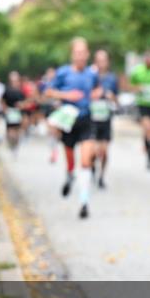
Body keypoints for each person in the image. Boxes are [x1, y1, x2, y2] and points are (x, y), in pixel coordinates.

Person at [46, 38, 102, 219]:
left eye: (82, 52)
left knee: (85, 162)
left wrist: (96, 94)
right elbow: (48, 91)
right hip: (68, 121)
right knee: (70, 161)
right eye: (76, 52)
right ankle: (69, 175)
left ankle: (84, 202)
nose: (79, 56)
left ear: (87, 54)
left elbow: (96, 90)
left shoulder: (92, 74)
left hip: (86, 119)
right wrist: (66, 94)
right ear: (72, 54)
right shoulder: (63, 73)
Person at [90, 49, 119, 188]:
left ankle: (101, 177)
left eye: (104, 60)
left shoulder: (112, 78)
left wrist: (112, 97)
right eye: (99, 60)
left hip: (106, 119)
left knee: (105, 152)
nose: (102, 63)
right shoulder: (90, 76)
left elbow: (117, 100)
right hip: (92, 119)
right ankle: (92, 167)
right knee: (94, 151)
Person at [1, 71, 26, 155]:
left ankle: (15, 146)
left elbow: (24, 102)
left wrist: (21, 106)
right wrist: (5, 109)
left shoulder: (20, 91)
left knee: (17, 131)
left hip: (18, 112)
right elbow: (2, 101)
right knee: (10, 130)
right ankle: (11, 144)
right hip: (10, 112)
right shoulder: (7, 90)